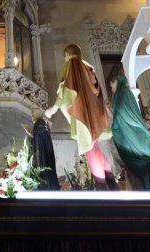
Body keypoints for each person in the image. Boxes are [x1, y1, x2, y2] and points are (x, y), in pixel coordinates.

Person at [45, 44, 115, 190]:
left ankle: (102, 187)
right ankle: (111, 183)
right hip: (95, 112)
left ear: (67, 55)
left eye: (64, 57)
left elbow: (66, 89)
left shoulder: (73, 64)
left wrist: (53, 109)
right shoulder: (88, 67)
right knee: (96, 147)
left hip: (83, 113)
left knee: (90, 148)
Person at [110, 75, 150, 191]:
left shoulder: (123, 94)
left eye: (112, 85)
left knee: (146, 163)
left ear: (117, 82)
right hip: (134, 133)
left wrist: (114, 121)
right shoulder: (123, 95)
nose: (112, 89)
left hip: (134, 134)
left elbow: (122, 113)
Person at [22, 108, 60, 190]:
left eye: (33, 114)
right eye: (32, 114)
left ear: (38, 114)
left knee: (42, 168)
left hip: (42, 153)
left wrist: (30, 131)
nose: (32, 116)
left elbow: (38, 139)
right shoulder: (42, 123)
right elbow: (38, 138)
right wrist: (30, 132)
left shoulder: (40, 123)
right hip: (44, 151)